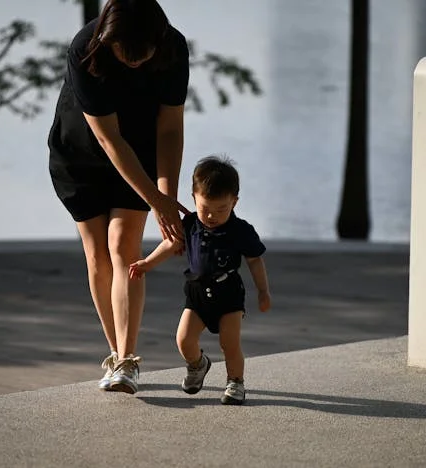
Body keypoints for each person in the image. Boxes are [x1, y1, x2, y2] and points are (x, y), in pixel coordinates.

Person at [47, 0, 191, 394]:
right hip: (80, 155)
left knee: (123, 246)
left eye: (139, 55)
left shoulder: (173, 48)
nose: (131, 61)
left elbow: (170, 130)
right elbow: (109, 140)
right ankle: (116, 354)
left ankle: (126, 363)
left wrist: (166, 197)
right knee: (97, 253)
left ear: (157, 41)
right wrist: (158, 203)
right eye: (122, 53)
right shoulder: (84, 48)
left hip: (141, 152)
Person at [129, 155, 271, 405]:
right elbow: (171, 244)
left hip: (228, 294)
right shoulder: (190, 224)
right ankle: (198, 365)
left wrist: (263, 291)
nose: (212, 216)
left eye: (221, 209)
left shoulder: (241, 231)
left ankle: (235, 382)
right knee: (183, 339)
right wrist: (146, 263)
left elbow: (255, 261)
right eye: (205, 208)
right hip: (196, 292)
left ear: (234, 202)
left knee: (230, 343)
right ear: (194, 197)